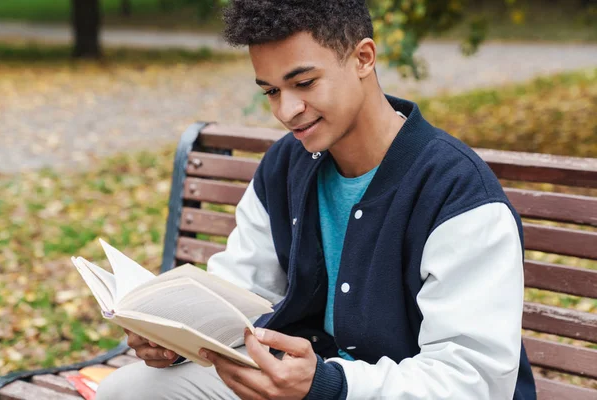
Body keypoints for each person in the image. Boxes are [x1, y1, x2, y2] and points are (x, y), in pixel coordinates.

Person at [97, 0, 537, 399]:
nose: (286, 110)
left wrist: (327, 385)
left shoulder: (457, 192)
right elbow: (242, 290)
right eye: (270, 91)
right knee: (129, 391)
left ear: (363, 58)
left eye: (303, 83)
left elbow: (473, 380)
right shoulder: (288, 163)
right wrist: (177, 340)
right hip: (300, 386)